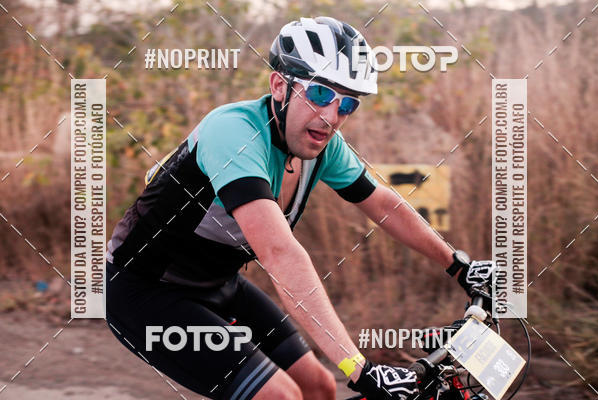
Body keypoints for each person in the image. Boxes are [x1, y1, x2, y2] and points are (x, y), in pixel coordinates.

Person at [105, 16, 495, 400]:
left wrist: (459, 266)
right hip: (144, 292)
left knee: (319, 387)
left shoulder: (321, 145)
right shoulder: (233, 133)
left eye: (347, 104)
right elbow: (279, 254)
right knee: (279, 396)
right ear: (279, 85)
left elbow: (384, 204)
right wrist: (359, 369)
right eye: (320, 94)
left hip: (219, 285)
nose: (331, 117)